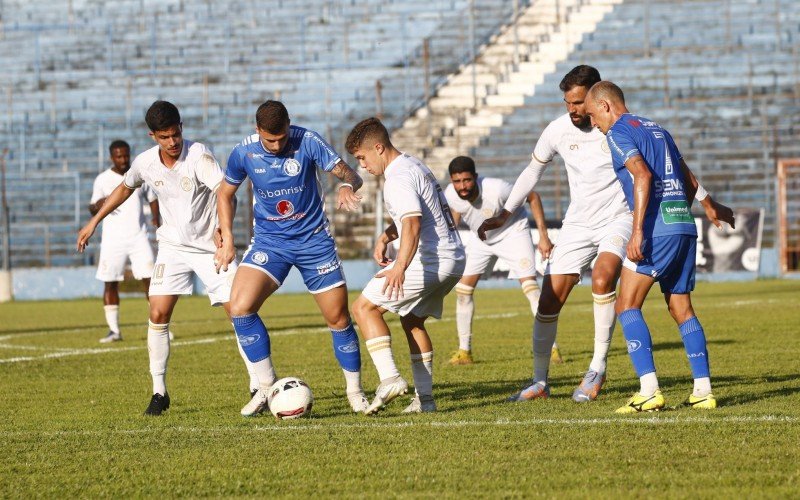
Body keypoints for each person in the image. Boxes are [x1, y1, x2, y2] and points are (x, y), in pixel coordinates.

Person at [78, 100, 254, 416]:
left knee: (239, 312)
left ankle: (258, 385)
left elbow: (226, 193)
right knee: (157, 313)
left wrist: (223, 231)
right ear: (152, 136)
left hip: (210, 247)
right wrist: (94, 221)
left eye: (175, 134)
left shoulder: (199, 155)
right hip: (172, 247)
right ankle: (159, 392)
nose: (172, 143)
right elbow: (124, 188)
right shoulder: (145, 163)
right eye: (164, 137)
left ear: (181, 128)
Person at [479, 65, 632, 403]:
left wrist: (703, 198)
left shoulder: (620, 128)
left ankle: (596, 369)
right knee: (548, 301)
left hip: (618, 219)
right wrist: (504, 214)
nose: (573, 110)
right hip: (577, 224)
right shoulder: (558, 130)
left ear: (597, 96)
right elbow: (532, 171)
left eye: (578, 103)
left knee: (604, 279)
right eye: (567, 103)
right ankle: (539, 383)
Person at [584, 81, 735, 412]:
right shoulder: (657, 128)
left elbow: (642, 176)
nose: (593, 123)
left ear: (606, 106)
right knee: (681, 308)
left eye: (593, 115)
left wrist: (637, 231)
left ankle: (649, 390)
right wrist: (710, 205)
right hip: (683, 222)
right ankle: (703, 391)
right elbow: (685, 174)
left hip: (657, 229)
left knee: (626, 305)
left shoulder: (618, 133)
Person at [215, 100, 369, 417]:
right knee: (240, 308)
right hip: (270, 243)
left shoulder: (308, 141)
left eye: (282, 138)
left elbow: (353, 175)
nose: (277, 145)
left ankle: (355, 392)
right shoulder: (243, 153)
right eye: (269, 140)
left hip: (314, 242)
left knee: (338, 318)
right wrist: (227, 237)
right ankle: (267, 387)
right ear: (257, 131)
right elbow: (224, 194)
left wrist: (344, 184)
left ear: (289, 125)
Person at [345, 117, 465, 414]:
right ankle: (425, 401)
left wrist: (399, 266)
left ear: (378, 147)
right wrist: (387, 235)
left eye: (362, 157)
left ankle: (389, 379)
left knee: (363, 308)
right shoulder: (413, 165)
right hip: (453, 258)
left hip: (429, 260)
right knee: (411, 320)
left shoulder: (396, 178)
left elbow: (412, 223)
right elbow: (421, 215)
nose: (362, 165)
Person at [444, 155, 558, 365]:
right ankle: (464, 352)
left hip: (513, 232)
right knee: (462, 291)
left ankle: (551, 349)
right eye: (457, 181)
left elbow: (532, 196)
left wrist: (543, 236)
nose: (462, 186)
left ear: (475, 177)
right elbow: (455, 215)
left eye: (467, 180)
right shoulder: (450, 194)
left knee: (531, 290)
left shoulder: (497, 188)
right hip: (483, 238)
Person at [89, 140, 160, 343]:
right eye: (119, 156)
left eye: (126, 155)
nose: (123, 160)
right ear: (112, 157)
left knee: (152, 281)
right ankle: (114, 331)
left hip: (139, 236)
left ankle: (158, 326)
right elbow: (92, 207)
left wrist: (156, 219)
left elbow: (152, 198)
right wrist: (99, 205)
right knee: (110, 282)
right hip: (113, 240)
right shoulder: (102, 179)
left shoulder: (138, 174)